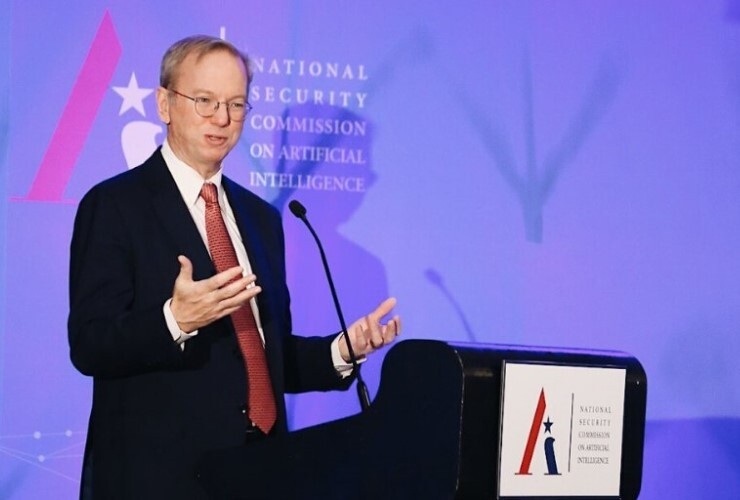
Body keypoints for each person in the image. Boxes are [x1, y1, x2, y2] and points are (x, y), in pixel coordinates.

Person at [68, 35, 400, 500]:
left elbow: (264, 357)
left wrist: (340, 351)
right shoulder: (115, 205)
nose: (222, 119)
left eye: (236, 104)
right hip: (160, 479)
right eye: (204, 101)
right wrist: (175, 320)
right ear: (164, 103)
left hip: (260, 472)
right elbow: (90, 343)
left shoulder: (261, 218)